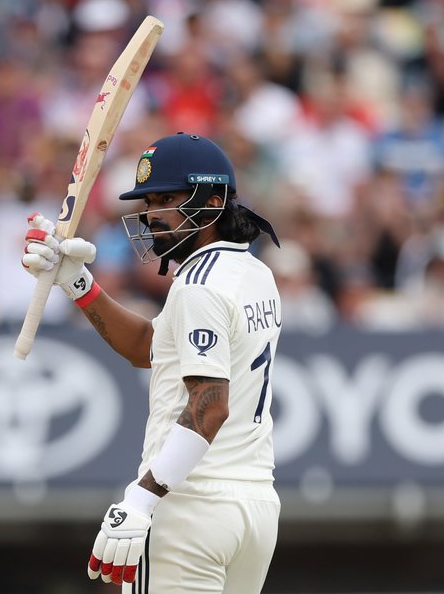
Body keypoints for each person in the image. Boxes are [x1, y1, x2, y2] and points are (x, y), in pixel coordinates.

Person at [21, 133, 282, 593]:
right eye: (148, 202)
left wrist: (141, 498)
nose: (151, 215)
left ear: (213, 200)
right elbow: (150, 346)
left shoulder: (198, 283)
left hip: (189, 504)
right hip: (255, 506)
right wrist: (77, 282)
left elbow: (210, 404)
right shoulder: (254, 272)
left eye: (166, 199)